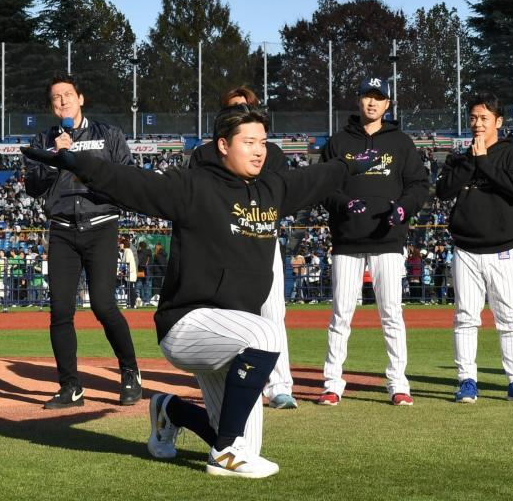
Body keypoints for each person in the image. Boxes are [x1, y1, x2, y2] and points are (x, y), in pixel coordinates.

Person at [22, 108, 378, 478]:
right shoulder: (193, 186)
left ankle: (170, 411)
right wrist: (76, 162)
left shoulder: (274, 189)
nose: (259, 150)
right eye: (249, 142)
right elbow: (131, 182)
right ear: (223, 145)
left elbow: (317, 177)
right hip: (188, 324)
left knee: (244, 446)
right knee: (267, 334)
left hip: (234, 335)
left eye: (262, 142)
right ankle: (224, 449)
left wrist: (350, 165)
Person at [23, 73, 142, 409]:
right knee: (60, 311)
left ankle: (130, 372)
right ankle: (70, 387)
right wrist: (54, 157)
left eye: (68, 95)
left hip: (102, 225)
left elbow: (127, 177)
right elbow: (33, 186)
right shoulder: (43, 139)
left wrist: (85, 166)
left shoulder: (109, 135)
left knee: (104, 305)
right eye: (56, 98)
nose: (62, 101)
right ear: (51, 105)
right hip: (61, 229)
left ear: (81, 98)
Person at [316, 74, 429, 407]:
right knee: (341, 314)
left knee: (391, 313)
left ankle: (398, 382)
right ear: (359, 99)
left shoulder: (401, 143)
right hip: (348, 241)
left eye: (379, 97)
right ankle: (332, 382)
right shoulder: (338, 143)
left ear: (387, 104)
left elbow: (419, 186)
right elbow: (323, 187)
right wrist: (344, 203)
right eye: (367, 95)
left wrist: (403, 209)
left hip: (387, 239)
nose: (372, 102)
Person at [188, 87, 298, 410]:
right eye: (235, 107)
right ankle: (234, 382)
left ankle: (279, 384)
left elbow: (276, 197)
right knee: (225, 314)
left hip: (262, 238)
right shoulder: (204, 155)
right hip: (220, 243)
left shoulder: (272, 153)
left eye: (248, 106)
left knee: (273, 311)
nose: (243, 110)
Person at [436, 92, 513, 403]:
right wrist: (471, 160)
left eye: (484, 118)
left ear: (499, 122)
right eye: (473, 118)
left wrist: (482, 160)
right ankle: (466, 380)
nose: (478, 123)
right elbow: (443, 191)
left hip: (503, 250)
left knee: (509, 317)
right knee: (466, 316)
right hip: (466, 250)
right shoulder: (459, 156)